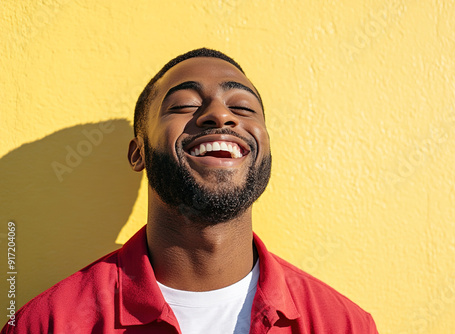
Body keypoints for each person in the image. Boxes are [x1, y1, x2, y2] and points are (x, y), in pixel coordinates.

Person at [1, 48, 378, 333]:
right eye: (184, 104)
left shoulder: (343, 324)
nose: (220, 114)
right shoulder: (48, 323)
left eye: (243, 107)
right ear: (139, 154)